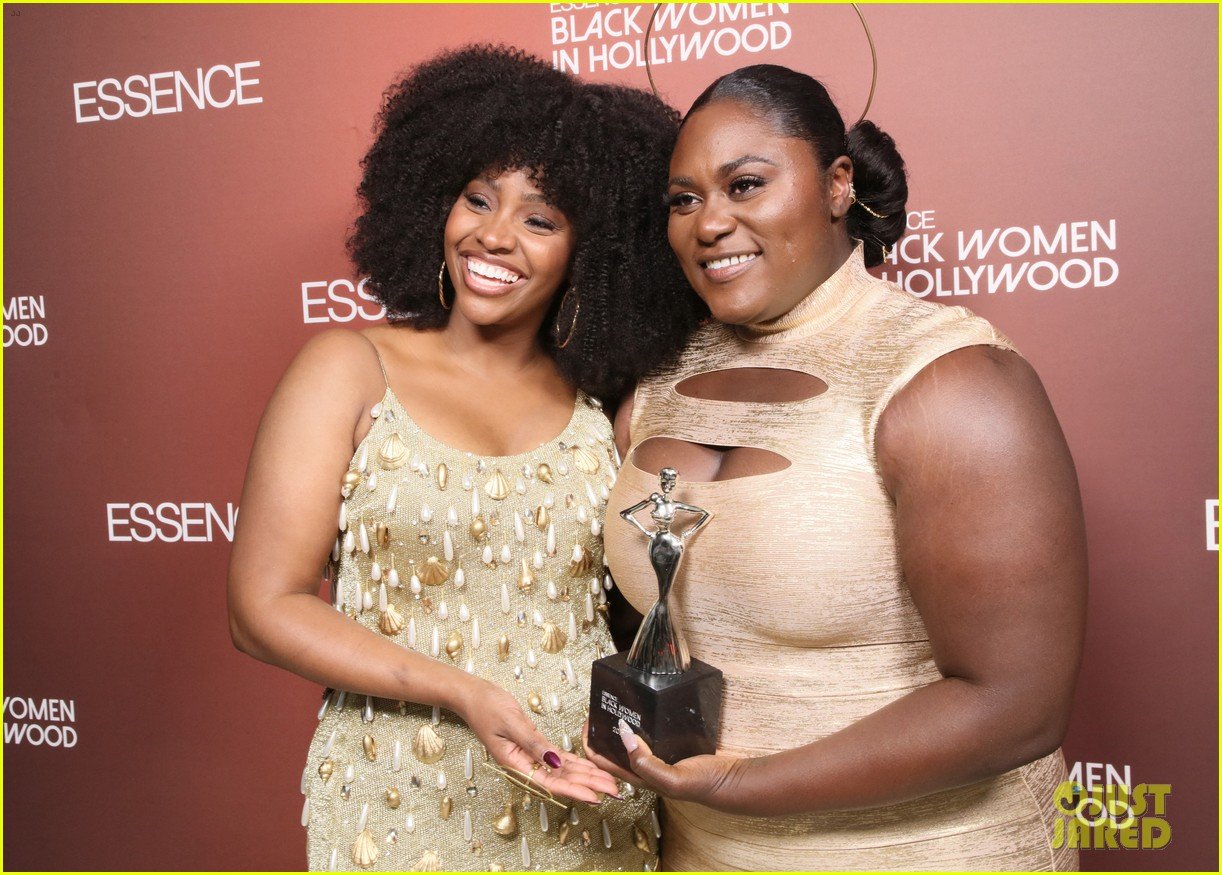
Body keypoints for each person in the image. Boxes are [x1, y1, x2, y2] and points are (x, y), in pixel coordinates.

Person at [588, 64, 1087, 871]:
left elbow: (1016, 708)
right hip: (707, 852)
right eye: (684, 200)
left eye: (745, 184)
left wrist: (744, 781)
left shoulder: (949, 381)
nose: (710, 222)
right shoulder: (654, 382)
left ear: (837, 184)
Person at [227, 45, 703, 871]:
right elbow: (261, 607)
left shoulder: (607, 410)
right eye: (477, 199)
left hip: (585, 794)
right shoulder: (348, 368)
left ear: (588, 253)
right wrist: (462, 690)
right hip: (395, 797)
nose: (493, 234)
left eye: (540, 219)